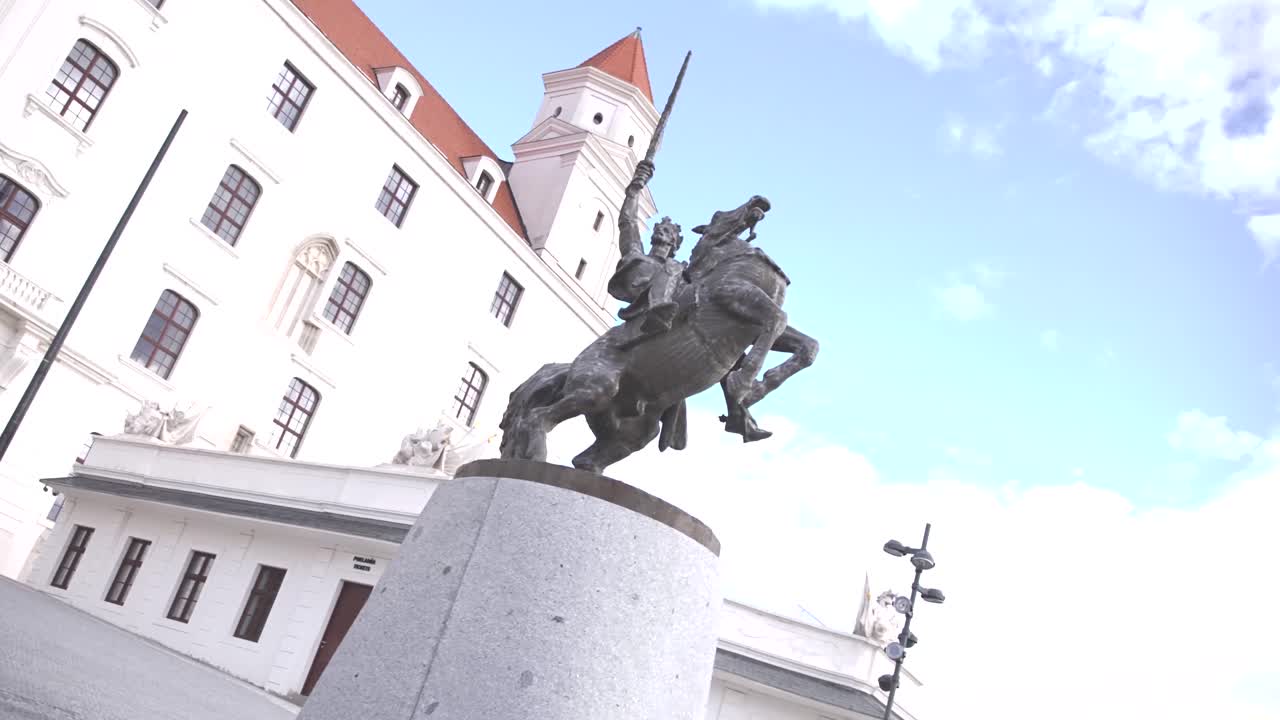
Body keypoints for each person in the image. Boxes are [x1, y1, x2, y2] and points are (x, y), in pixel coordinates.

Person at [607, 159, 686, 341]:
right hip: (638, 292)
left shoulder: (678, 271)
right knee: (674, 267)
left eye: (667, 231)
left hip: (663, 309)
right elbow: (628, 222)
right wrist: (634, 190)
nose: (660, 231)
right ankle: (657, 310)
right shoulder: (636, 253)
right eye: (659, 228)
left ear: (674, 243)